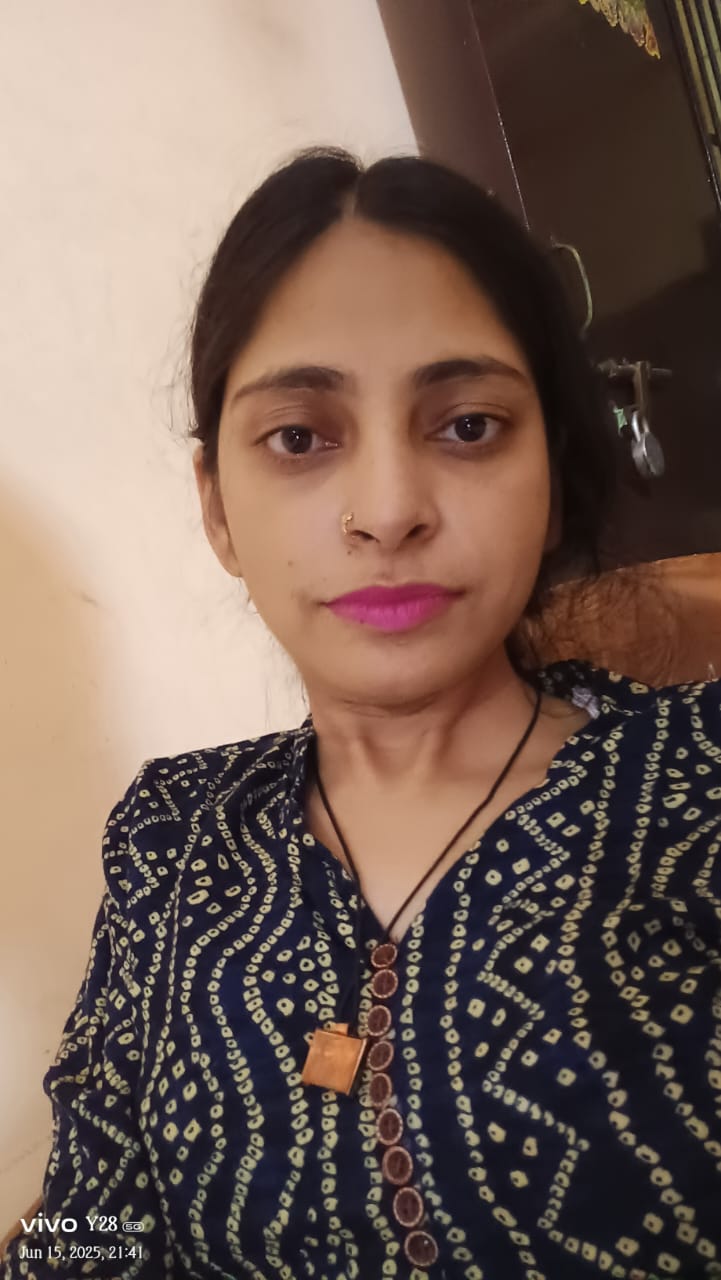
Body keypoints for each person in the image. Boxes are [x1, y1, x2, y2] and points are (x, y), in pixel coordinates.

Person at [2, 145, 720, 1280]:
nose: (387, 510)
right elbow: (96, 1220)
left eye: (467, 425)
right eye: (300, 437)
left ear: (552, 477)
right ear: (217, 508)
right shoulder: (170, 834)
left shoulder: (695, 788)